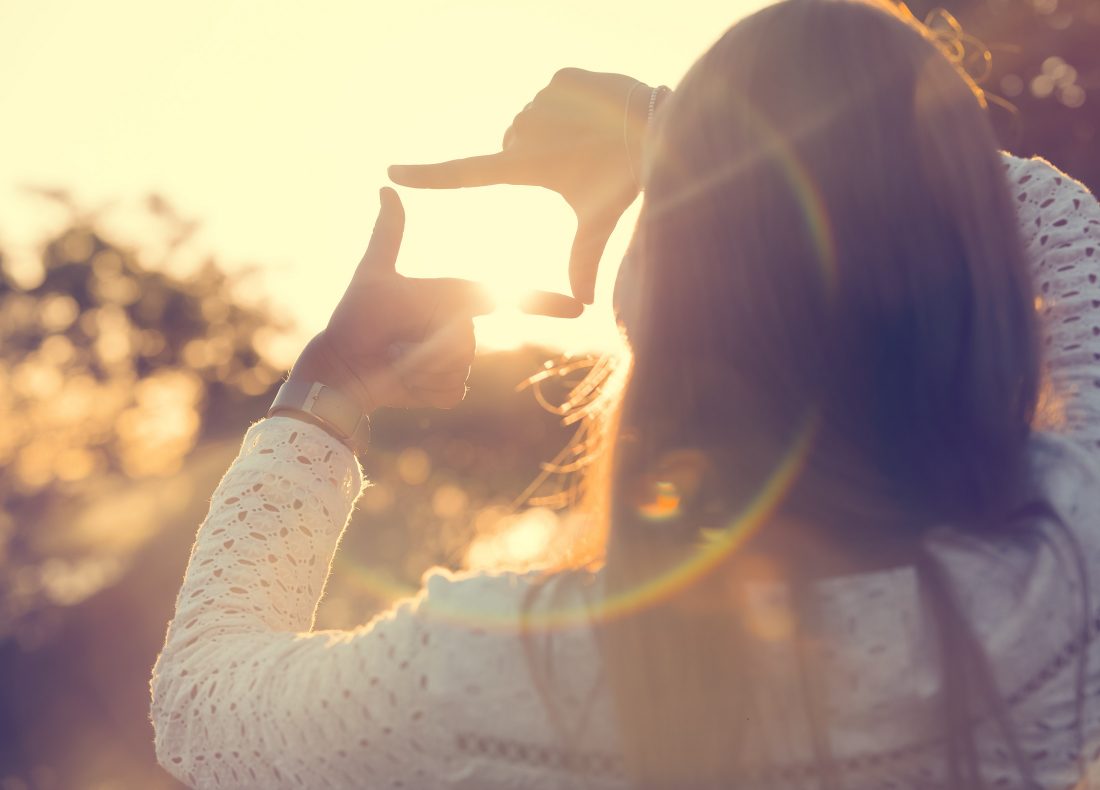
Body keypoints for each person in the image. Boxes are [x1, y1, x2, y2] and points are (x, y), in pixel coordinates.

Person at [149, 0, 1100, 787]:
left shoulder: (491, 680)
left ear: (657, 310)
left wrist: (333, 388)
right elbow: (1067, 232)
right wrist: (688, 134)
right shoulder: (1067, 574)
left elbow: (199, 702)